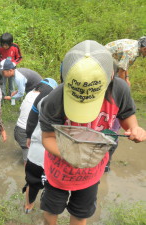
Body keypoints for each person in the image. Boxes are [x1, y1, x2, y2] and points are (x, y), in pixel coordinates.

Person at [39, 40, 146, 225]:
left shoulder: (119, 90)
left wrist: (134, 128)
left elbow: (127, 114)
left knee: (81, 213)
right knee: (51, 208)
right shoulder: (54, 100)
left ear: (110, 77)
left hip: (91, 172)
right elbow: (47, 137)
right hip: (58, 171)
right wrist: (71, 155)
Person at [20, 78, 58, 213]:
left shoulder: (44, 97)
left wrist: (29, 136)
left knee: (33, 181)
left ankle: (28, 206)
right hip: (60, 154)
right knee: (54, 185)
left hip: (38, 149)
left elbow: (31, 118)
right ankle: (47, 209)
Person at [14, 78, 57, 165]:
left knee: (27, 152)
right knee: (29, 162)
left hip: (18, 129)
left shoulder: (30, 93)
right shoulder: (45, 99)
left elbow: (21, 109)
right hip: (26, 132)